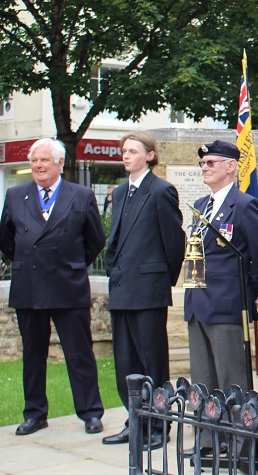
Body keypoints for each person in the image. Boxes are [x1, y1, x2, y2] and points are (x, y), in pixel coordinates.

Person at [0, 138, 106, 436]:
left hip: (68, 285)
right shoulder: (15, 194)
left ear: (60, 163)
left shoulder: (81, 195)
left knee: (78, 353)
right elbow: (7, 240)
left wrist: (70, 263)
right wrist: (28, 259)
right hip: (28, 286)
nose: (38, 165)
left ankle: (90, 412)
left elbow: (95, 240)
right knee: (33, 354)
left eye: (44, 160)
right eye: (34, 160)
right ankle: (35, 413)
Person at [184, 140, 258, 453]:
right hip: (197, 304)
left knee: (231, 378)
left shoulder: (243, 204)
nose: (204, 168)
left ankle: (240, 443)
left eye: (211, 163)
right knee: (202, 380)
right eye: (203, 163)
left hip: (227, 305)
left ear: (230, 166)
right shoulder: (201, 205)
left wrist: (246, 294)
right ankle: (208, 441)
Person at [101, 132, 185, 449]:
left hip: (148, 290)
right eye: (123, 151)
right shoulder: (121, 193)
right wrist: (112, 268)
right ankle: (135, 421)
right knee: (125, 362)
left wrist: (162, 279)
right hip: (122, 289)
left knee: (152, 362)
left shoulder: (161, 191)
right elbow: (115, 240)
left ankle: (159, 426)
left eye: (133, 151)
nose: (126, 156)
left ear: (149, 156)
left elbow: (173, 243)